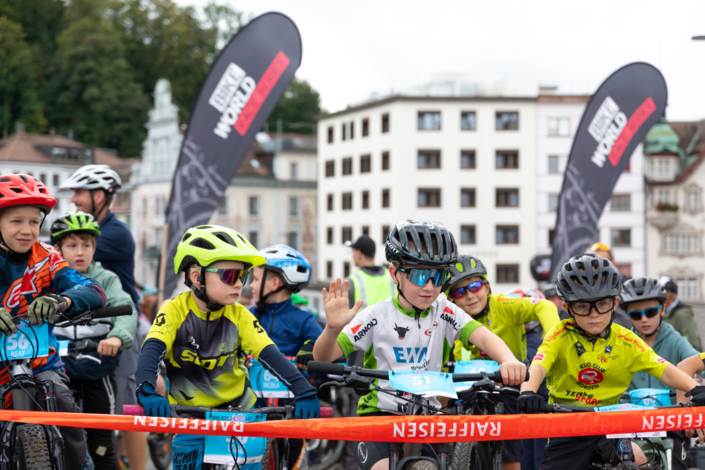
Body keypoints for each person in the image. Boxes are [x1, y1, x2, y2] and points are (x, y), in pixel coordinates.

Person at [313, 219, 527, 470]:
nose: (429, 287)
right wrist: (332, 329)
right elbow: (324, 357)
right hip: (380, 417)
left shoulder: (446, 311)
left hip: (429, 418)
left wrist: (510, 361)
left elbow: (483, 336)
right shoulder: (376, 316)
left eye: (438, 277)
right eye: (419, 275)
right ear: (395, 274)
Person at [134, 226, 320, 469]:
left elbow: (271, 356)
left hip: (240, 417)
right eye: (230, 276)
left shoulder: (240, 314)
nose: (240, 285)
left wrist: (304, 390)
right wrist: (146, 390)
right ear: (196, 276)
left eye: (243, 276)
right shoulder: (174, 310)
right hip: (191, 420)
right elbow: (151, 351)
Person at [519, 254, 705, 469]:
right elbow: (538, 366)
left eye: (602, 304)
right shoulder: (560, 334)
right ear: (568, 308)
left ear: (615, 302)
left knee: (640, 460)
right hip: (566, 428)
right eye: (582, 306)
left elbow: (663, 369)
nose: (594, 314)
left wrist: (695, 388)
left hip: (610, 426)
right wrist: (528, 392)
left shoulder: (625, 339)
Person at [0, 174, 108, 470]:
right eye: (16, 221)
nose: (27, 230)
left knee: (62, 400)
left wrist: (63, 300)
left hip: (41, 366)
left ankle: (81, 464)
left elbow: (94, 290)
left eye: (34, 222)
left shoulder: (48, 257)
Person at [60, 164, 147, 468]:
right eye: (73, 193)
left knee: (126, 407)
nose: (74, 199)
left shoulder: (113, 233)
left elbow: (54, 251)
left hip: (118, 323)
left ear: (100, 195)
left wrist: (116, 336)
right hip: (78, 334)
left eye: (79, 192)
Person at [443, 256, 560, 470]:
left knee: (509, 446)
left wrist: (555, 343)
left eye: (474, 286)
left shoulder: (504, 305)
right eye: (460, 292)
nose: (469, 296)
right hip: (469, 383)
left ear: (487, 287)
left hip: (509, 382)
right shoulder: (453, 317)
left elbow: (544, 306)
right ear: (452, 300)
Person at [50, 211, 138, 470]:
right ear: (57, 248)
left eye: (86, 245)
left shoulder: (107, 279)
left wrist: (116, 337)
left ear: (94, 248)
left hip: (96, 362)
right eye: (72, 245)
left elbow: (125, 307)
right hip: (58, 366)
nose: (80, 252)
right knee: (58, 440)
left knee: (102, 442)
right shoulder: (50, 278)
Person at [249, 245, 322, 470]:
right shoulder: (247, 316)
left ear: (274, 283)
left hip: (291, 412)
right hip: (250, 412)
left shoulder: (303, 320)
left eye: (255, 278)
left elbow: (332, 355)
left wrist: (312, 349)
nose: (250, 285)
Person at [622, 277, 698, 470]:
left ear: (663, 309)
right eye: (636, 315)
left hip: (669, 424)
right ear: (628, 316)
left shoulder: (675, 340)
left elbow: (696, 362)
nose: (644, 319)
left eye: (650, 312)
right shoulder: (621, 343)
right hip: (630, 425)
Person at [346, 235, 395, 310]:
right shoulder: (392, 276)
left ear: (359, 254)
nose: (352, 256)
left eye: (353, 252)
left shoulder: (351, 282)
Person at [589, 242, 630, 327]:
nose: (596, 267)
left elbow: (625, 321)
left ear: (613, 264)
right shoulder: (586, 287)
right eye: (593, 263)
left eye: (602, 262)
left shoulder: (626, 287)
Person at [662, 280, 700, 350]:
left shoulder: (681, 314)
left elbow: (692, 343)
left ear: (668, 294)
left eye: (661, 293)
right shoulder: (667, 312)